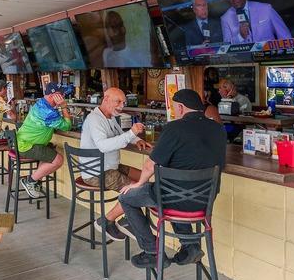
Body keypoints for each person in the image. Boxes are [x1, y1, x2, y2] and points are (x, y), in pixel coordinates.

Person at [118, 89, 227, 269]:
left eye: (176, 108)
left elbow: (149, 165)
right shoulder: (218, 129)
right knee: (176, 192)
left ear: (181, 108)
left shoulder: (174, 128)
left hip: (174, 199)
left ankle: (152, 251)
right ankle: (190, 246)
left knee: (126, 198)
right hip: (205, 200)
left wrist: (138, 184)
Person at [80, 87, 151, 241]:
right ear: (106, 99)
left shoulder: (110, 117)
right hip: (97, 173)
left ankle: (128, 218)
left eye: (123, 102)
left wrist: (137, 139)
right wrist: (131, 133)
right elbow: (103, 146)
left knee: (145, 179)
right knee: (139, 190)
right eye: (118, 101)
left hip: (109, 167)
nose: (121, 106)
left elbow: (121, 135)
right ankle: (106, 221)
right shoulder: (95, 120)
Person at [15, 82, 71, 198]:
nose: (64, 96)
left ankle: (35, 181)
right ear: (53, 95)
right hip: (27, 146)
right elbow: (67, 126)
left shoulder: (40, 104)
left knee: (49, 148)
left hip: (22, 142)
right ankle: (30, 180)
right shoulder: (49, 112)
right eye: (61, 94)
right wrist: (64, 106)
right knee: (58, 160)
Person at [220, 0, 291, 44]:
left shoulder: (266, 8)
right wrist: (240, 36)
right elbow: (226, 46)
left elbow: (284, 36)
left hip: (270, 56)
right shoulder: (225, 18)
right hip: (245, 59)